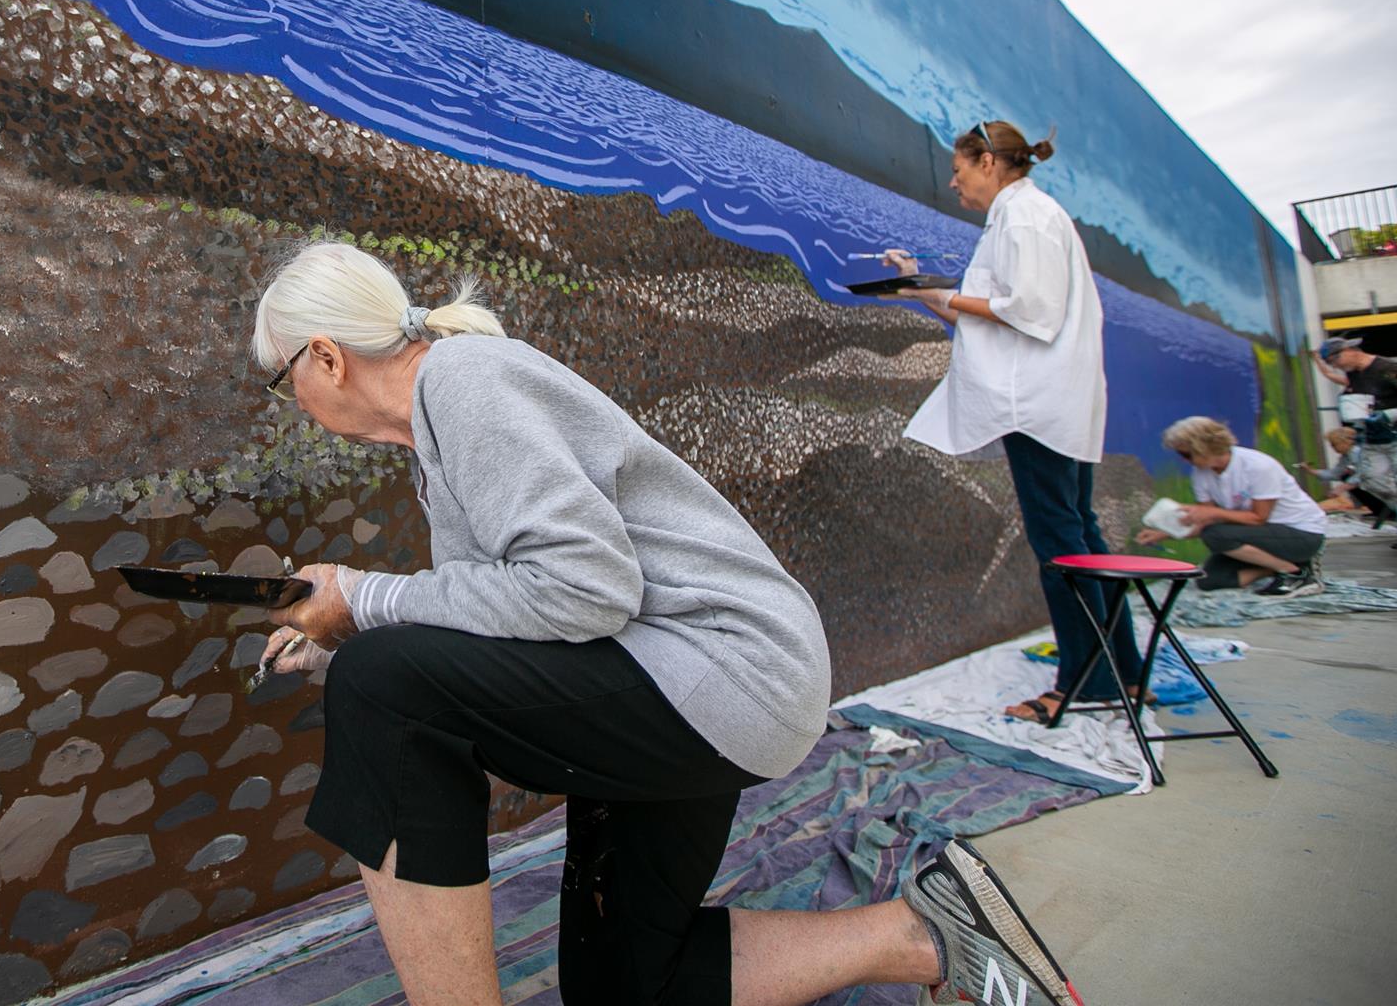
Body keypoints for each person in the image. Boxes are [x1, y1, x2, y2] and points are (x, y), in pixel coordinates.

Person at [252, 240, 1086, 1006]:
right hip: (684, 675)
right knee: (624, 984)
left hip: (719, 669)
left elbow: (582, 589)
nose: (289, 397)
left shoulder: (466, 382)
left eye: (280, 374)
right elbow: (492, 614)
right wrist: (346, 628)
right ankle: (926, 932)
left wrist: (365, 599)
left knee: (383, 691)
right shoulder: (439, 431)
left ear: (326, 356)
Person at [883, 120, 1144, 725]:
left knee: (1062, 545)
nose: (954, 183)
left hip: (1039, 405)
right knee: (1081, 535)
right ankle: (1121, 673)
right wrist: (922, 289)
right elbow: (996, 313)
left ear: (988, 163)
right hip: (1054, 400)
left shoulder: (1024, 217)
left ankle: (1085, 681)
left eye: (959, 169)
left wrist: (932, 291)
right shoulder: (1023, 217)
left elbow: (1029, 312)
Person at [1134, 417, 1327, 596]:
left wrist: (1211, 512)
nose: (1182, 460)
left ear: (1202, 448)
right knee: (1208, 580)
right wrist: (1164, 534)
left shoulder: (1257, 466)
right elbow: (1205, 519)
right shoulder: (1201, 474)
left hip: (1301, 533)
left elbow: (1259, 518)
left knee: (1215, 533)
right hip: (1259, 536)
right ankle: (1279, 566)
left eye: (1185, 454)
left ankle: (1296, 573)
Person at [1311, 336, 1397, 551]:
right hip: (1374, 438)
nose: (1336, 367)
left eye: (1335, 362)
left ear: (1346, 352)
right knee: (1370, 479)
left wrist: (1393, 414)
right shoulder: (1353, 374)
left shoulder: (1388, 368)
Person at [1299, 426, 1393, 525]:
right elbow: (1335, 473)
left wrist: (1343, 487)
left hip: (1383, 482)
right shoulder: (1346, 457)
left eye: (1334, 445)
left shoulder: (1358, 452)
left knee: (1349, 478)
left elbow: (1364, 473)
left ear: (1344, 442)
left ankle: (1381, 507)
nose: (1333, 448)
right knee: (1346, 476)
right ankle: (1378, 508)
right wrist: (1311, 471)